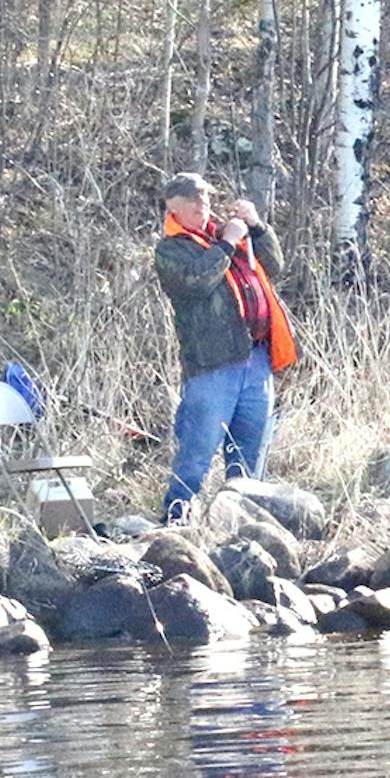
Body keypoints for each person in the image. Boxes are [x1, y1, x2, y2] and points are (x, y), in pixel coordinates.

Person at [154, 172, 299, 523]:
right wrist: (227, 244)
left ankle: (241, 524)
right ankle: (175, 520)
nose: (202, 204)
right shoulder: (171, 249)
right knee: (197, 450)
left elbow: (274, 265)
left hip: (256, 359)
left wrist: (257, 227)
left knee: (250, 452)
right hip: (212, 365)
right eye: (194, 199)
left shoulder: (224, 234)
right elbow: (195, 283)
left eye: (204, 197)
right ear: (175, 206)